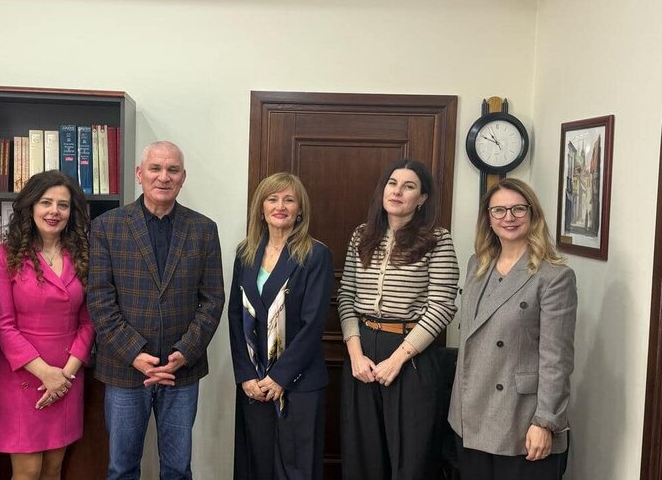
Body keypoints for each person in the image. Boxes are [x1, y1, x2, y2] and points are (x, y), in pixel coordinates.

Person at [88, 140, 225, 480]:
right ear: (139, 173)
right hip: (125, 369)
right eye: (155, 168)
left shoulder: (204, 229)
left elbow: (212, 299)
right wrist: (134, 354)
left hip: (181, 370)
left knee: (178, 469)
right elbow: (100, 299)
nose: (164, 177)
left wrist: (184, 352)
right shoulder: (107, 226)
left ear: (183, 177)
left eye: (172, 170)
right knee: (122, 468)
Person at [337, 158, 460, 480]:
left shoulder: (437, 239)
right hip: (363, 352)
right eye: (392, 183)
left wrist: (398, 359)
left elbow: (442, 306)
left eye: (409, 186)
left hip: (411, 354)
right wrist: (355, 354)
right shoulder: (362, 235)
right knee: (363, 453)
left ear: (422, 199)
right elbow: (346, 296)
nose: (397, 191)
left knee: (411, 457)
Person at [449, 178, 577, 480]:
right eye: (499, 210)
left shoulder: (554, 276)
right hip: (469, 413)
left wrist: (545, 421)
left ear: (532, 214)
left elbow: (556, 358)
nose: (509, 217)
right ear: (488, 218)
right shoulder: (477, 264)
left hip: (520, 418)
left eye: (518, 209)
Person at [0, 170, 95, 480]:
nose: (54, 211)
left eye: (63, 205)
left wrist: (65, 376)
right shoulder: (3, 256)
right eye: (46, 202)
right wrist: (46, 374)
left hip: (67, 374)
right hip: (21, 374)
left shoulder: (84, 256)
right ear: (31, 206)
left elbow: (89, 322)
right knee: (27, 472)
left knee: (53, 469)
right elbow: (3, 325)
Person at [228, 172, 333, 479]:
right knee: (257, 466)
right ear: (261, 208)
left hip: (298, 383)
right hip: (254, 383)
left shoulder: (316, 254)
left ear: (300, 210)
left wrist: (279, 378)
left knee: (296, 470)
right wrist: (246, 375)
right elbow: (235, 315)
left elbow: (314, 325)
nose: (280, 206)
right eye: (272, 199)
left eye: (289, 200)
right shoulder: (245, 253)